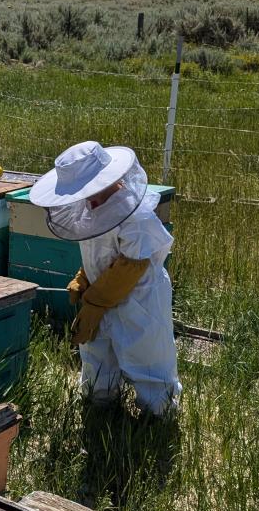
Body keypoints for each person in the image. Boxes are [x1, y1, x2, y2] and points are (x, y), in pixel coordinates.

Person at [28, 141, 180, 416]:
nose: (88, 199)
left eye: (92, 190)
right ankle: (99, 404)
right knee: (97, 353)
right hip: (101, 293)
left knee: (147, 356)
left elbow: (130, 267)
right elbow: (100, 254)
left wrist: (95, 303)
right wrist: (84, 276)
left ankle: (158, 415)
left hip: (139, 299)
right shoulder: (91, 211)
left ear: (110, 179)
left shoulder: (137, 216)